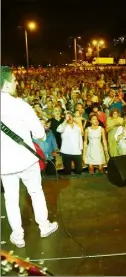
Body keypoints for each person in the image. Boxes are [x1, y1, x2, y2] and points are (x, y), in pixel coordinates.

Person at [0, 66, 58, 248]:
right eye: (15, 80)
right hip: (26, 160)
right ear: (7, 83)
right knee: (35, 192)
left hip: (4, 164)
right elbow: (40, 133)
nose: (17, 82)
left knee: (11, 199)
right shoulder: (20, 105)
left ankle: (18, 236)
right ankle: (44, 226)